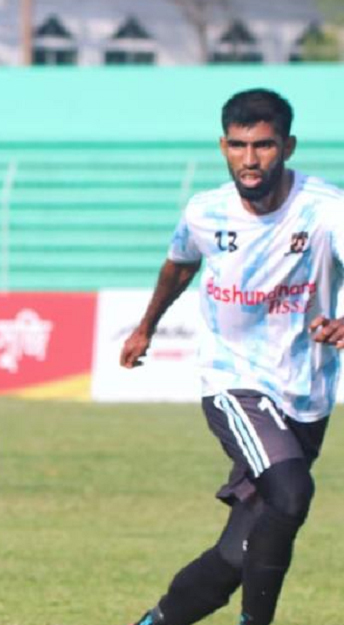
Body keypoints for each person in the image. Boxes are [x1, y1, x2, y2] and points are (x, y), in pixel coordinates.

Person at [121, 88, 343, 625]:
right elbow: (179, 264)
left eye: (264, 145)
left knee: (237, 554)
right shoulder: (206, 212)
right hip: (234, 381)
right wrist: (146, 327)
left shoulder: (326, 210)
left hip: (306, 392)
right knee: (291, 494)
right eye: (239, 145)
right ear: (224, 146)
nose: (250, 159)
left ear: (287, 146)